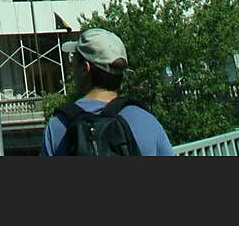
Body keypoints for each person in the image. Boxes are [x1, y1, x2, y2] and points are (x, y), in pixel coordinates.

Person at [40, 27, 175, 155]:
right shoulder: (146, 121)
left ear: (84, 68)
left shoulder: (58, 126)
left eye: (73, 60)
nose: (71, 67)